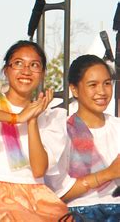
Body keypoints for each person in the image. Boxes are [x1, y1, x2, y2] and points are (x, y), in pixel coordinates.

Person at [0, 40, 69, 221]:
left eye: (34, 65)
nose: (26, 71)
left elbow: (38, 170)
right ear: (6, 70)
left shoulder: (51, 117)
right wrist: (17, 118)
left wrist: (32, 120)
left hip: (38, 196)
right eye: (18, 63)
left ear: (42, 74)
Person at [45, 55, 120, 221]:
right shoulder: (63, 131)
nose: (102, 91)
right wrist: (108, 174)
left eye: (107, 83)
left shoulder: (117, 127)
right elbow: (57, 193)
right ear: (74, 89)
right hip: (79, 214)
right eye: (93, 85)